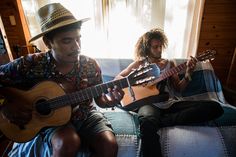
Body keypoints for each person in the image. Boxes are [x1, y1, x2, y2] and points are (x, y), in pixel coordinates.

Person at [0, 3, 124, 157]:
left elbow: (100, 100)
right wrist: (4, 108)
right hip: (51, 123)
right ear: (48, 42)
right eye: (67, 41)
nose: (77, 46)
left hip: (85, 116)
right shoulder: (29, 64)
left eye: (79, 39)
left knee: (109, 144)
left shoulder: (90, 65)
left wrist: (110, 100)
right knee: (67, 142)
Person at [116, 28, 224, 157]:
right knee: (147, 122)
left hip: (169, 103)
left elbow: (179, 89)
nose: (159, 50)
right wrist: (140, 82)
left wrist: (188, 74)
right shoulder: (139, 64)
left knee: (215, 107)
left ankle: (163, 121)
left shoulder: (169, 63)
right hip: (148, 104)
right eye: (155, 47)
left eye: (161, 46)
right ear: (146, 48)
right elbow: (118, 79)